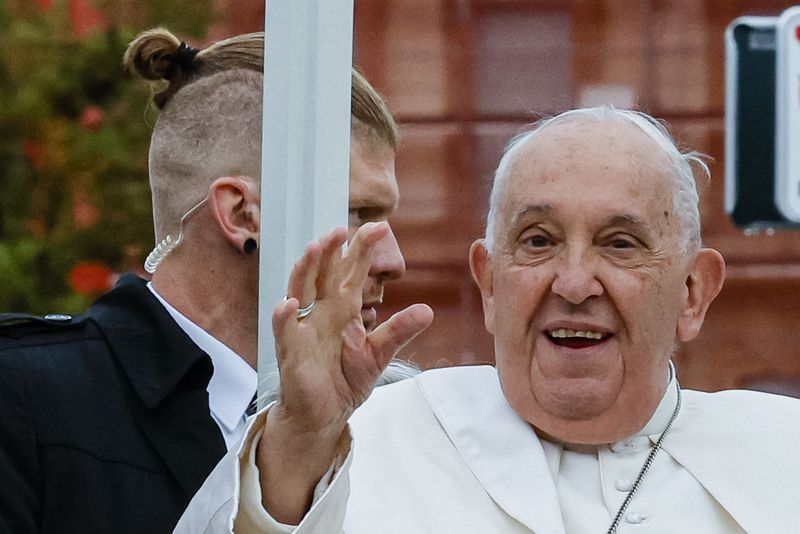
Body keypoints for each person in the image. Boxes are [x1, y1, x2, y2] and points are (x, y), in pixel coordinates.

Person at [176, 106, 800, 534]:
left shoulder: (784, 454)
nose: (575, 283)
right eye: (537, 241)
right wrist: (301, 443)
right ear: (490, 284)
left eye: (620, 244)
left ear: (693, 292)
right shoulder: (365, 440)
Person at [0, 29, 416, 534]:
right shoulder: (26, 399)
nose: (393, 260)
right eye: (357, 214)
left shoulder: (390, 427)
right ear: (242, 213)